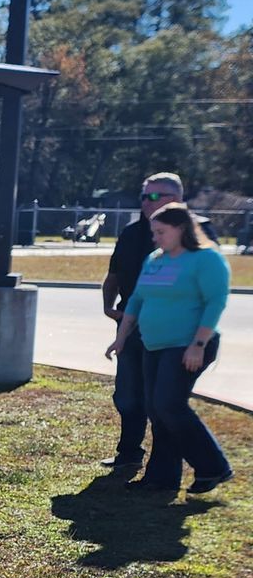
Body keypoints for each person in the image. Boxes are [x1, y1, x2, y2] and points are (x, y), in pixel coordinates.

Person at [104, 201, 233, 495]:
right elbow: (136, 300)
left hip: (188, 345)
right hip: (154, 345)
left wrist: (198, 345)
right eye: (154, 232)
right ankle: (161, 479)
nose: (155, 238)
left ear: (181, 229)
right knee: (156, 408)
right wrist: (121, 338)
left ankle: (213, 466)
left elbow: (215, 303)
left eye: (161, 232)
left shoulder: (206, 259)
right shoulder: (156, 259)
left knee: (168, 405)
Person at [99, 173, 196, 475]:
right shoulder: (130, 233)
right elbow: (114, 276)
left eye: (156, 196)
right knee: (127, 395)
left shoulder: (193, 237)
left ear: (178, 199)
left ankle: (165, 469)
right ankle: (129, 453)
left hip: (171, 333)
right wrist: (107, 306)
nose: (147, 202)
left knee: (161, 401)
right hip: (130, 327)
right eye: (144, 196)